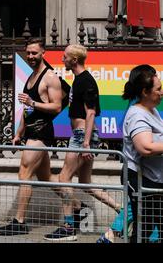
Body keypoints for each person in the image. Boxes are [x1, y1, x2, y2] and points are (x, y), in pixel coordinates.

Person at [44, 44, 121, 241]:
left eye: (65, 57)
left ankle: (68, 227)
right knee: (85, 183)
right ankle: (122, 210)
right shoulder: (78, 80)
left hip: (81, 137)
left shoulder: (86, 81)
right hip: (82, 136)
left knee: (63, 178)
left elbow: (91, 112)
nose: (63, 60)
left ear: (74, 60)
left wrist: (86, 143)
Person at [0, 38, 63, 236]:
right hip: (31, 132)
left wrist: (33, 103)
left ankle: (19, 221)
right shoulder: (31, 76)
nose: (31, 56)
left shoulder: (50, 77)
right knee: (47, 177)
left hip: (42, 132)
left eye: (34, 53)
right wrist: (18, 132)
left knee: (24, 172)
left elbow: (57, 107)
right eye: (28, 53)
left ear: (43, 53)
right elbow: (27, 110)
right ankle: (77, 207)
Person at [120, 64, 163, 243]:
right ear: (145, 92)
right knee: (144, 228)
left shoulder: (150, 110)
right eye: (158, 89)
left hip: (153, 179)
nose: (161, 92)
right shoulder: (138, 114)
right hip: (141, 180)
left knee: (147, 226)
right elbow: (145, 147)